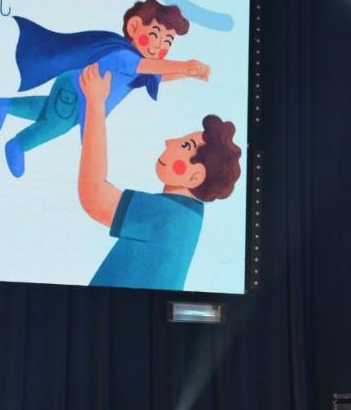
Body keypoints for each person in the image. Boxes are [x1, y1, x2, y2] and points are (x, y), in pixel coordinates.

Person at [0, 0, 211, 178]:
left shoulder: (138, 62)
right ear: (134, 27)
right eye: (154, 34)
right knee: (57, 123)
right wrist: (185, 65)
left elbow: (158, 75)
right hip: (76, 93)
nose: (159, 45)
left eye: (167, 41)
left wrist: (187, 73)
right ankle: (18, 144)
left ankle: (4, 105)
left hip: (76, 91)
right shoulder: (125, 57)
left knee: (49, 110)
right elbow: (151, 67)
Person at [75, 62, 241, 290]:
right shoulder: (190, 214)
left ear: (195, 177)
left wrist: (95, 104)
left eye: (185, 145)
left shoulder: (168, 212)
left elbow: (94, 193)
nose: (169, 142)